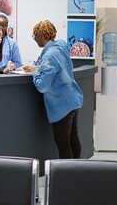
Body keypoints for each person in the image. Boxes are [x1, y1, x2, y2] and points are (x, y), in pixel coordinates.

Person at [23, 20, 83, 159]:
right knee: (73, 137)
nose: (34, 39)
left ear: (40, 36)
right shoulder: (61, 45)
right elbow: (57, 68)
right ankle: (78, 171)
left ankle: (67, 176)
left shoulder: (49, 56)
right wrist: (39, 68)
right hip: (73, 99)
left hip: (61, 104)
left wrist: (35, 73)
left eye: (34, 36)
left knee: (63, 143)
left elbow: (43, 86)